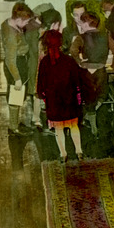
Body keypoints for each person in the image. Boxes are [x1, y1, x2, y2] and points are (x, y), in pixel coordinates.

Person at [36, 30, 85, 162]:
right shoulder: (68, 60)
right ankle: (79, 151)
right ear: (61, 43)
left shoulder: (45, 62)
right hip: (70, 100)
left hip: (54, 102)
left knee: (59, 129)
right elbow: (77, 80)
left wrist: (43, 95)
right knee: (74, 127)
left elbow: (40, 84)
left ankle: (63, 154)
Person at [69, 11, 114, 134]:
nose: (80, 25)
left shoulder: (80, 38)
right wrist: (113, 66)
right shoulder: (106, 36)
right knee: (102, 95)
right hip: (101, 71)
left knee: (88, 99)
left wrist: (79, 62)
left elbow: (73, 50)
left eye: (82, 22)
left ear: (86, 23)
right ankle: (91, 119)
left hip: (86, 72)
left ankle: (92, 126)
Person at [0, 1, 35, 135]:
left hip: (19, 62)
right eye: (26, 21)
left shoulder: (8, 22)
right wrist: (17, 79)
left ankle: (15, 124)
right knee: (15, 97)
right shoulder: (11, 35)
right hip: (16, 65)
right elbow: (10, 60)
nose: (27, 24)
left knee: (18, 97)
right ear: (19, 19)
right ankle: (13, 128)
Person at [26, 6, 62, 130]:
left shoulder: (39, 34)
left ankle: (36, 119)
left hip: (37, 70)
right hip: (46, 71)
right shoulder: (49, 38)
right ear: (54, 24)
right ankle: (49, 121)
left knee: (38, 95)